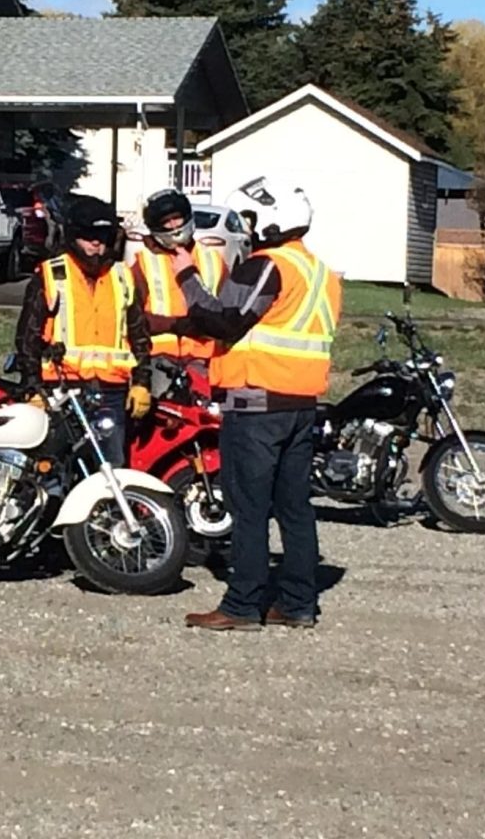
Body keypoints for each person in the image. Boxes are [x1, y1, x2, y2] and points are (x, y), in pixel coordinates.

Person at [174, 176, 342, 631]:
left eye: (247, 219)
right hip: (300, 403)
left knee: (248, 508)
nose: (244, 228)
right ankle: (297, 603)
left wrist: (186, 272)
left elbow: (224, 321)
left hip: (255, 404)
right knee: (294, 508)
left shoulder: (266, 266)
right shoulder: (322, 273)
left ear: (268, 219)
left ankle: (242, 605)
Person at [14, 193, 154, 464]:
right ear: (73, 235)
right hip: (62, 390)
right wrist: (32, 387)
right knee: (56, 468)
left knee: (111, 467)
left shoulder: (123, 277)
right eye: (89, 235)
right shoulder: (51, 274)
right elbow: (28, 336)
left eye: (102, 236)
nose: (96, 243)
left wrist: (142, 383)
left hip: (112, 393)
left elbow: (139, 335)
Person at [131, 188, 234, 393]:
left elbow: (230, 315)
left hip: (204, 361)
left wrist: (202, 325)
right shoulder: (143, 263)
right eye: (166, 222)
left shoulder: (213, 260)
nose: (174, 227)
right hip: (158, 361)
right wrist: (176, 325)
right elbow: (133, 317)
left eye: (177, 219)